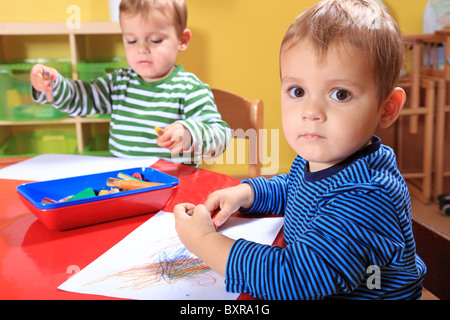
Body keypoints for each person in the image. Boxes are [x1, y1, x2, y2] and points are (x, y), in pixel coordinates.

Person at [173, 0, 426, 299]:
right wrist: (248, 194)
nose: (310, 111)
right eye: (298, 91)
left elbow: (296, 278)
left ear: (386, 108)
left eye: (340, 94)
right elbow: (296, 188)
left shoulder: (367, 196)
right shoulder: (322, 158)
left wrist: (203, 241)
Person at [30, 0, 231, 165]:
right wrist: (52, 85)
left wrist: (189, 132)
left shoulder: (189, 89)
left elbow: (220, 136)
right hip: (124, 186)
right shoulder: (119, 82)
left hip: (175, 189)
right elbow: (82, 100)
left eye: (155, 40)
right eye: (132, 41)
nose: (141, 49)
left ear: (182, 40)